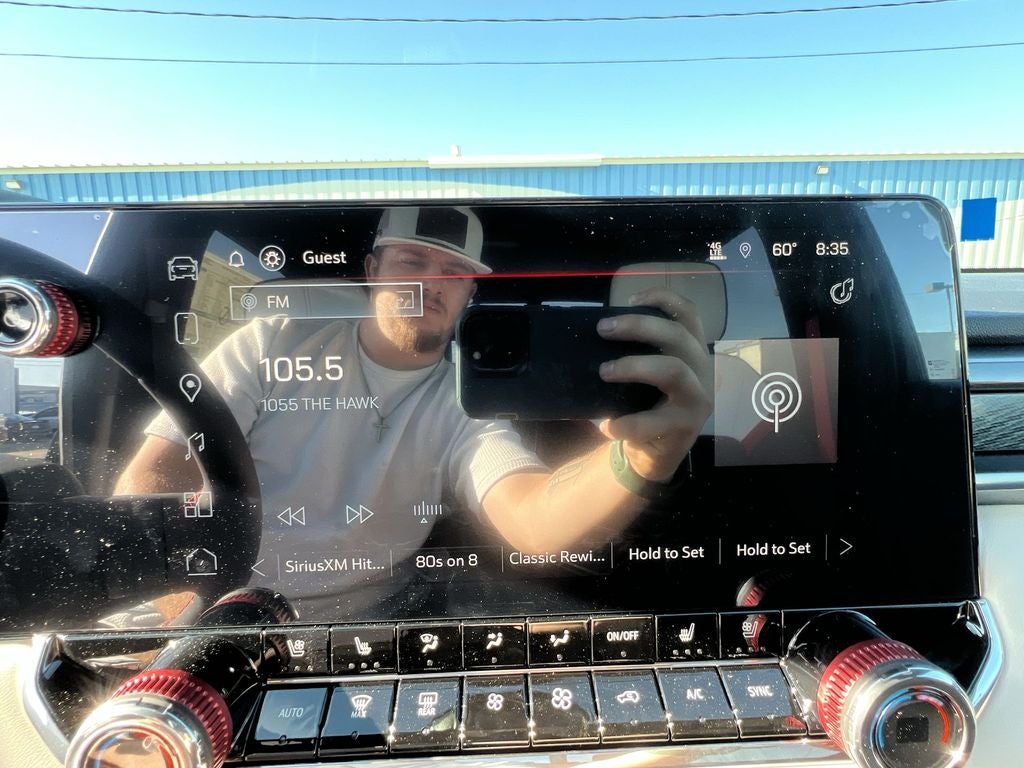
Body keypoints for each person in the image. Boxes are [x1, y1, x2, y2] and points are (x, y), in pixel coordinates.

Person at [116, 206, 712, 612]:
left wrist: (641, 457)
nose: (432, 283)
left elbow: (530, 519)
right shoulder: (276, 340)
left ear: (471, 292)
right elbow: (155, 473)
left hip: (382, 616)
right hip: (227, 604)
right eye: (411, 262)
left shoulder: (468, 401)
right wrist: (193, 608)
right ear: (373, 270)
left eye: (454, 272)